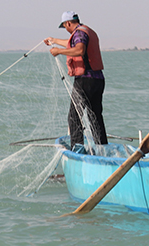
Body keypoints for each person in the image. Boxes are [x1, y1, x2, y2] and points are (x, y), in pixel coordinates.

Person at [44, 11, 107, 149]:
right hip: (98, 80)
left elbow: (79, 50)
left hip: (85, 81)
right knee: (95, 117)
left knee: (74, 117)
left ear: (68, 23)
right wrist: (53, 41)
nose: (66, 29)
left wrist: (58, 51)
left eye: (65, 27)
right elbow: (70, 43)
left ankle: (77, 150)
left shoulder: (79, 33)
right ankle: (102, 148)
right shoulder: (86, 31)